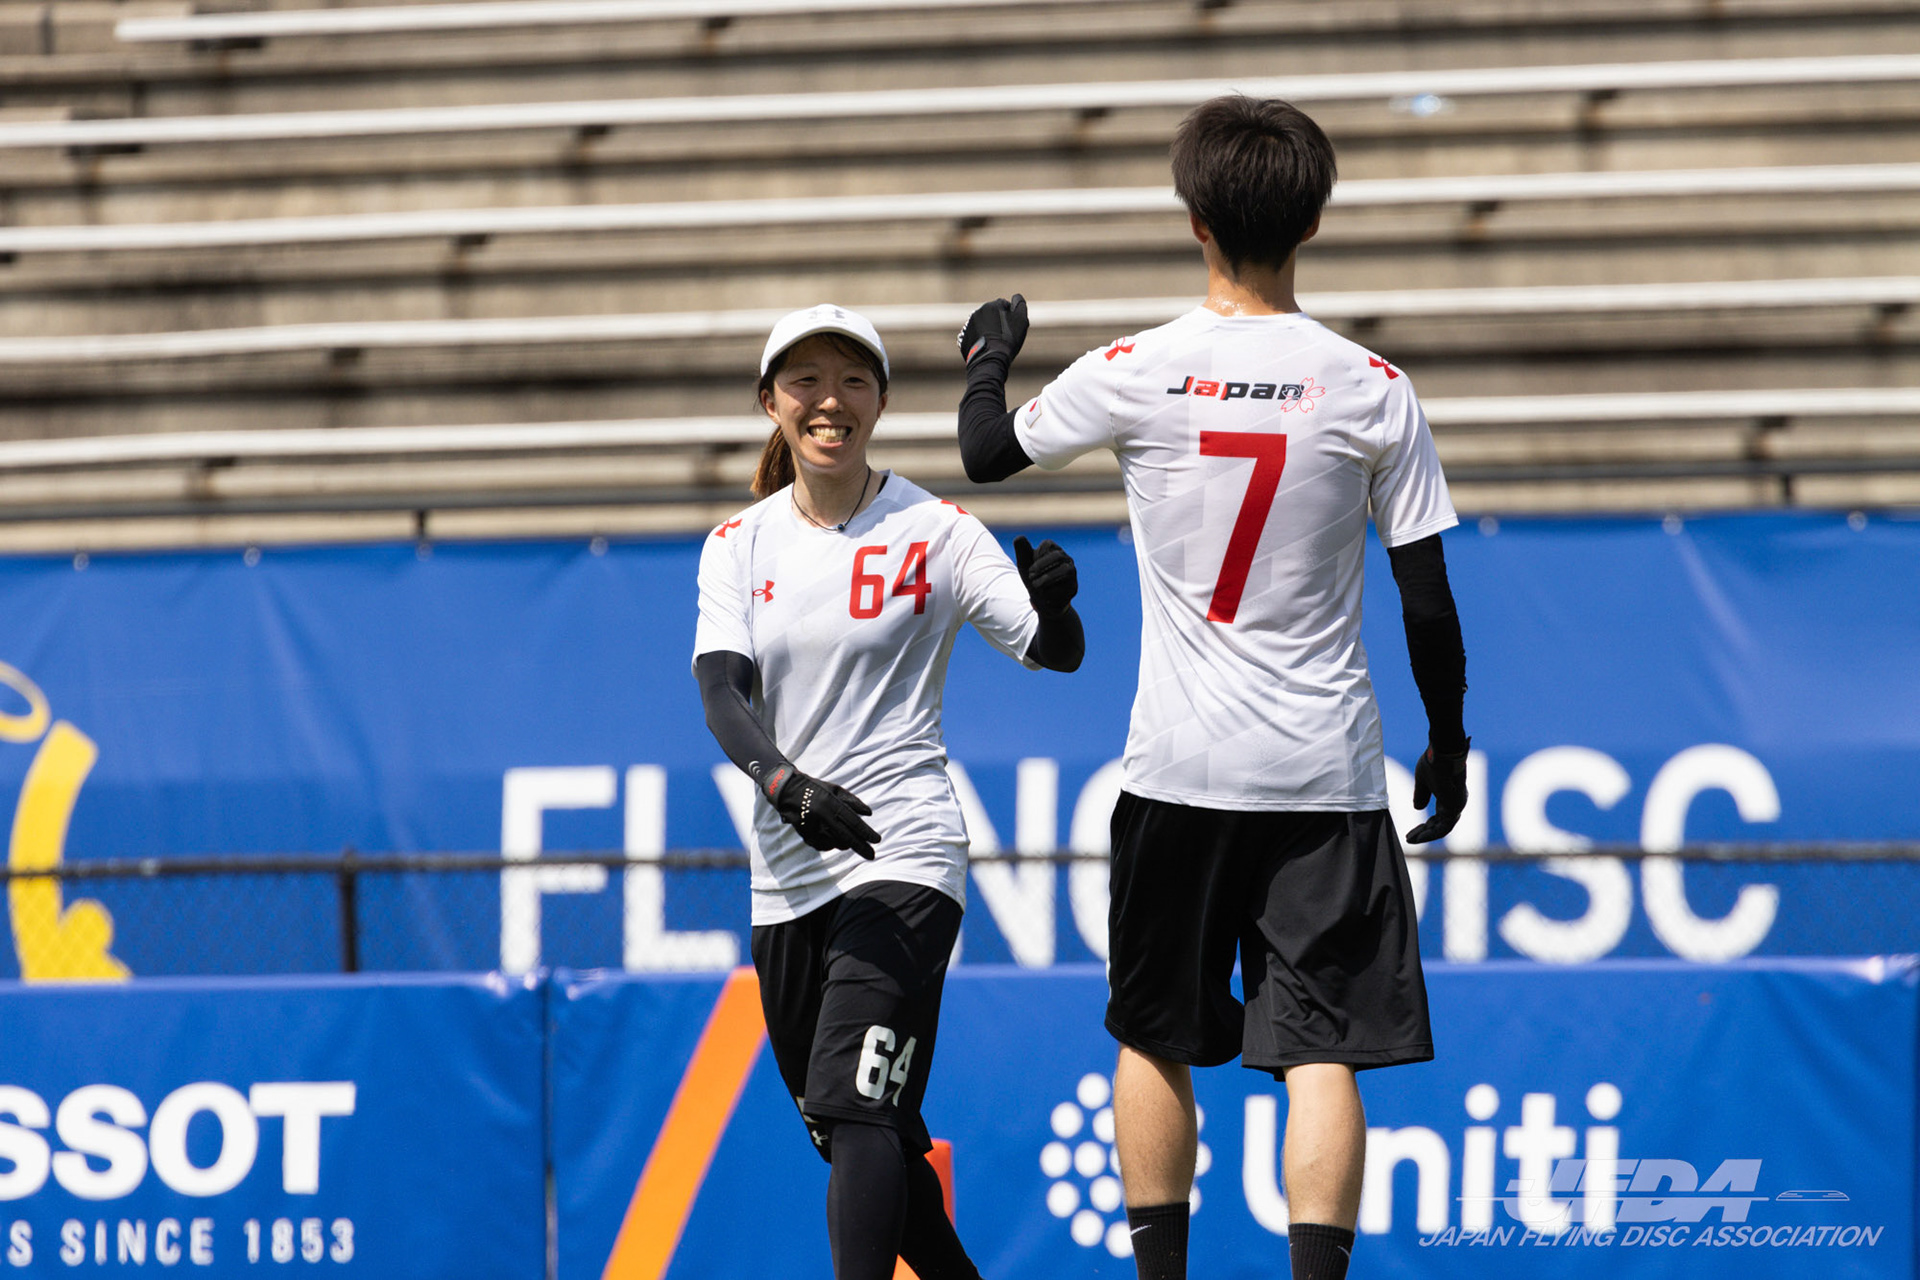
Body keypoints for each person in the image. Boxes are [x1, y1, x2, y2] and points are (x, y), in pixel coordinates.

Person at [953, 97, 1471, 1280]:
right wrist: (1449, 736)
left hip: (1177, 767)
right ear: (1316, 220)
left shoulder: (1138, 367)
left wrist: (987, 361)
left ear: (1195, 220)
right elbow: (1428, 600)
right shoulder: (1371, 384)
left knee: (1155, 1034)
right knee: (1323, 1049)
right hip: (1324, 775)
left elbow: (986, 452)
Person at [693, 303, 1085, 1280]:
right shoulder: (737, 542)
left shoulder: (938, 530)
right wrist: (790, 788)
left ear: (880, 400)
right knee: (860, 1132)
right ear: (771, 401)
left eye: (853, 381)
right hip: (787, 879)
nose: (830, 401)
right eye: (806, 381)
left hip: (903, 852)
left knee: (856, 1104)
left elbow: (1055, 651)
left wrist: (1058, 605)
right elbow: (721, 693)